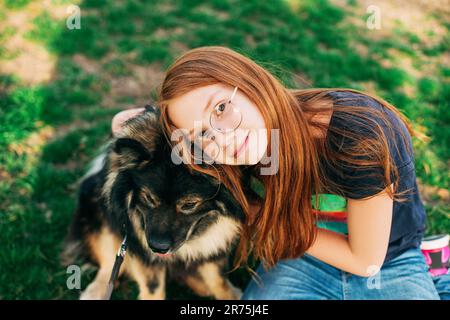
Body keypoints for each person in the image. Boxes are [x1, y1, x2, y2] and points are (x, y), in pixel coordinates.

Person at [111, 46, 449, 300]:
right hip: (301, 257)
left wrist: (254, 210)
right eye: (201, 133)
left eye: (221, 108)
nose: (222, 136)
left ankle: (435, 272)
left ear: (249, 83)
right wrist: (172, 133)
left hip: (387, 259)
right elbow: (120, 123)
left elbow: (365, 262)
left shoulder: (361, 139)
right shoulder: (229, 145)